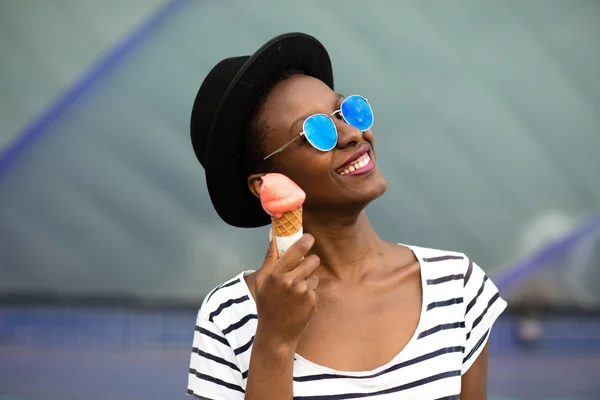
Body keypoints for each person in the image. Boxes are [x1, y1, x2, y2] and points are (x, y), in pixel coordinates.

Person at [187, 32, 507, 400]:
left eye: (347, 111)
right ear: (266, 184)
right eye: (317, 130)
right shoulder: (229, 317)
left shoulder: (456, 287)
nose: (353, 134)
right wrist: (274, 341)